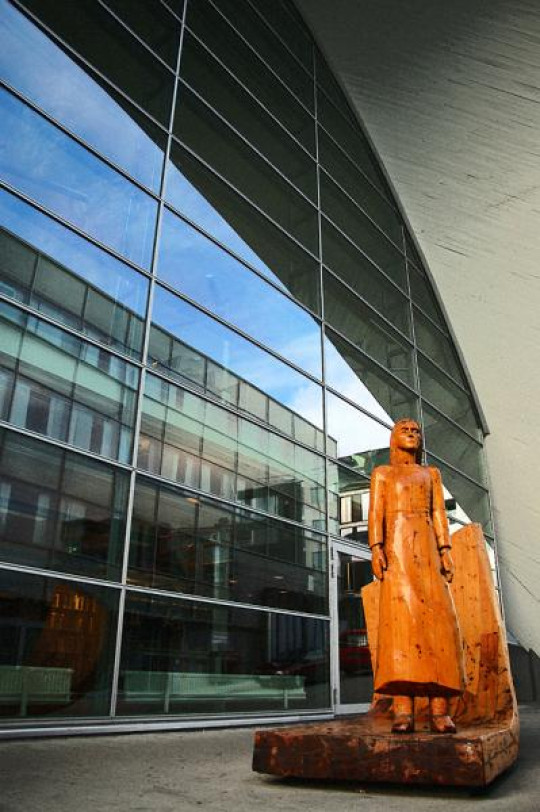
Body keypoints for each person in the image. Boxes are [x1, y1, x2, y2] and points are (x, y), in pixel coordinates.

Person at [368, 418, 465, 733]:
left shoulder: (431, 474)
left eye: (415, 431)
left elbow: (438, 512)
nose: (411, 434)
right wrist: (376, 546)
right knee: (400, 627)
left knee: (436, 624)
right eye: (404, 430)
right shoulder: (382, 474)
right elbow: (375, 512)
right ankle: (403, 712)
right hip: (396, 549)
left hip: (426, 547)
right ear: (393, 438)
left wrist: (445, 549)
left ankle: (439, 713)